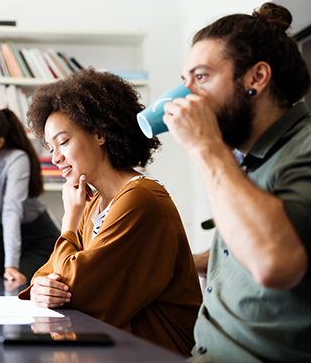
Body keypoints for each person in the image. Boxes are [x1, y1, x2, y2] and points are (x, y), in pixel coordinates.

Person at [162, 3, 311, 362]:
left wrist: (206, 147)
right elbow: (240, 243)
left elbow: (275, 260)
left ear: (256, 78)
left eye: (201, 77)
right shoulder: (243, 159)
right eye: (185, 82)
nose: (186, 97)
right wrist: (179, 263)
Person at [18, 68, 203, 356]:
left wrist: (69, 221)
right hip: (111, 348)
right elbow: (51, 273)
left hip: (155, 353)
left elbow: (78, 290)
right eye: (50, 147)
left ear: (99, 133)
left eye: (63, 142)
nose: (55, 158)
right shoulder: (93, 203)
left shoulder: (141, 199)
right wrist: (41, 287)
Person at [0, 108, 60, 284]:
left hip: (36, 236)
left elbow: (11, 211)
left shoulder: (17, 160)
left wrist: (11, 266)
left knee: (22, 290)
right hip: (3, 235)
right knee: (1, 292)